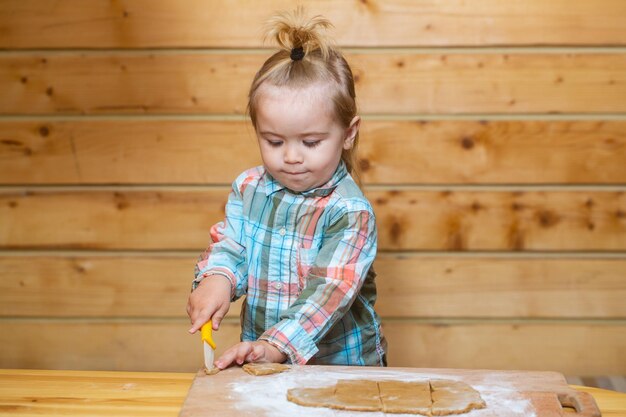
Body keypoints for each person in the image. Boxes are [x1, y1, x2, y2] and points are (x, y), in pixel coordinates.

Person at [186, 7, 387, 369]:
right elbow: (232, 246)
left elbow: (328, 294)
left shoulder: (350, 213)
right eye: (274, 141)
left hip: (340, 366)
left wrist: (275, 346)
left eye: (310, 142)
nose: (291, 157)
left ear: (348, 134)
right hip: (263, 361)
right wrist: (217, 278)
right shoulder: (249, 188)